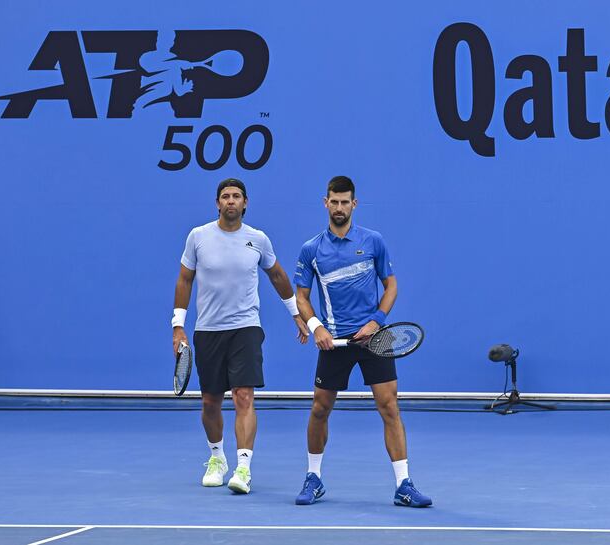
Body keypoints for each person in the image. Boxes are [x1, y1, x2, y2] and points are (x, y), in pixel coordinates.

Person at [292, 176, 432, 507]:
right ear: (325, 203)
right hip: (335, 339)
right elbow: (301, 296)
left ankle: (403, 484)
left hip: (374, 339)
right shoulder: (311, 249)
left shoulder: (373, 241)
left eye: (345, 202)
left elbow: (391, 286)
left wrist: (375, 322)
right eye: (334, 201)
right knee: (320, 408)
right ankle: (313, 477)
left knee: (389, 406)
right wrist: (316, 327)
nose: (339, 207)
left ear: (354, 204)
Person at [172, 178, 309, 494]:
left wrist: (296, 315)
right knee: (210, 401)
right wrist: (178, 325)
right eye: (225, 196)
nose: (231, 201)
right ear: (217, 204)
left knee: (243, 395)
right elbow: (184, 279)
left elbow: (277, 275)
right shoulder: (198, 237)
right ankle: (217, 458)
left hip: (246, 327)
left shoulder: (258, 240)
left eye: (236, 196)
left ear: (245, 203)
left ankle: (243, 467)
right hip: (208, 330)